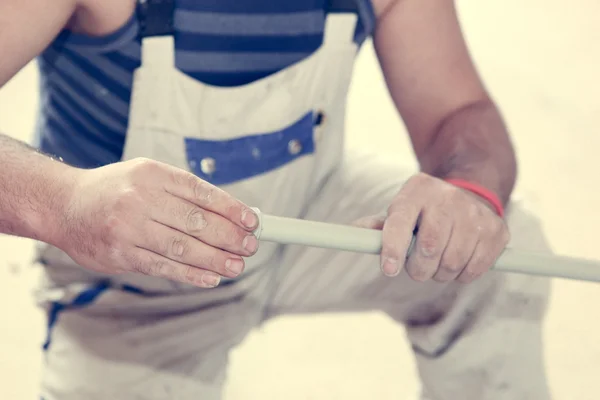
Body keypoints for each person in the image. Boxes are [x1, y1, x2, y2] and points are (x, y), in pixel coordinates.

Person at [0, 0, 552, 399]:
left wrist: (469, 192)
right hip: (133, 282)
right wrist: (63, 200)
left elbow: (458, 111)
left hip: (309, 216)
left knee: (496, 254)